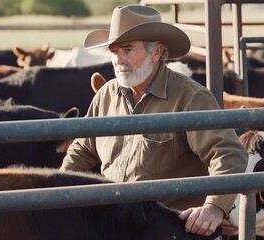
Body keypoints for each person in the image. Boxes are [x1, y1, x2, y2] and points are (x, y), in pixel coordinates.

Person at [60, 4, 248, 237]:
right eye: (114, 51)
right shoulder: (106, 94)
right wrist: (59, 195)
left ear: (156, 52)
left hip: (171, 227)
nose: (118, 59)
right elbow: (82, 150)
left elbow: (228, 153)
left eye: (128, 50)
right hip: (114, 223)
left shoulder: (190, 97)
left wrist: (214, 208)